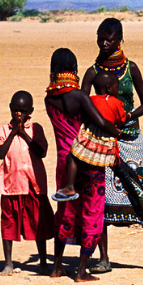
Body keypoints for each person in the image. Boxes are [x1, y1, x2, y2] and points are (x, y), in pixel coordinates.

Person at [74, 18, 143, 273]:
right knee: (100, 199)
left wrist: (129, 116)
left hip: (131, 140)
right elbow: (80, 104)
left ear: (120, 40)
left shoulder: (132, 69)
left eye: (109, 39)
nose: (104, 43)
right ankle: (103, 258)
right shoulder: (92, 72)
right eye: (100, 38)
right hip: (101, 141)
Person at [44, 51, 123, 282]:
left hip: (63, 160)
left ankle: (57, 267)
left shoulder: (49, 99)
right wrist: (115, 131)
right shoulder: (79, 96)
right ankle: (81, 271)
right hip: (88, 158)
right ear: (74, 68)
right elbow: (99, 121)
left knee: (65, 211)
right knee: (92, 211)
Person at [0, 90, 54, 276]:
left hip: (33, 185)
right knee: (8, 223)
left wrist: (25, 135)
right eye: (15, 110)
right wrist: (14, 133)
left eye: (22, 110)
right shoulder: (3, 131)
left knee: (39, 224)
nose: (18, 114)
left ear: (31, 111)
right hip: (11, 185)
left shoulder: (36, 129)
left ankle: (43, 261)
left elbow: (41, 152)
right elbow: (0, 153)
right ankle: (8, 263)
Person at [54, 71, 125, 202]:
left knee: (73, 156)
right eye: (117, 87)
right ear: (109, 88)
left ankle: (70, 186)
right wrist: (116, 130)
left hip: (91, 139)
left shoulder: (91, 100)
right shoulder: (117, 103)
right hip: (108, 143)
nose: (118, 89)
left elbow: (88, 115)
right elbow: (121, 118)